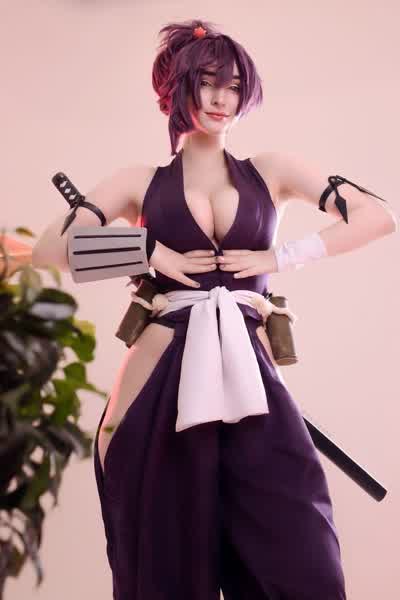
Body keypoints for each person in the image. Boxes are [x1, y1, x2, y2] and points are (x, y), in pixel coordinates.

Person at [32, 18, 397, 600]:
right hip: (156, 383)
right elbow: (49, 250)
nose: (221, 98)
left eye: (233, 85)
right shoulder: (139, 181)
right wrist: (146, 248)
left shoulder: (271, 171)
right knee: (164, 569)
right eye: (206, 82)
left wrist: (281, 255)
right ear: (176, 87)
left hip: (252, 381)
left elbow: (378, 216)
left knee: (304, 561)